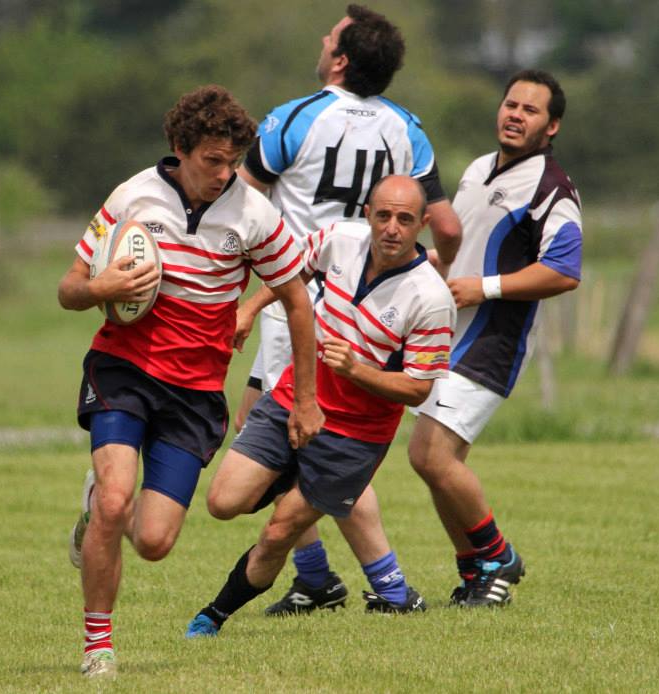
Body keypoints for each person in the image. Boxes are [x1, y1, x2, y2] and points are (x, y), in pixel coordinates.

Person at [57, 85, 323, 679]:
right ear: (179, 149)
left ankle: (95, 505)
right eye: (212, 161)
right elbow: (70, 287)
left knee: (153, 541)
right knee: (119, 496)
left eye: (232, 161)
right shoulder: (134, 196)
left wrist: (306, 399)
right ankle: (98, 646)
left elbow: (297, 302)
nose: (224, 174)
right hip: (123, 369)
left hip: (195, 393)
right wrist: (104, 290)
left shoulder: (253, 214)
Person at [233, 3, 462, 615]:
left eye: (330, 36)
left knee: (310, 444)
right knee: (289, 439)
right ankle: (320, 577)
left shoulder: (298, 116)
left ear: (339, 59)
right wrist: (434, 267)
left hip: (307, 300)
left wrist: (240, 278)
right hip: (365, 301)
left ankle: (376, 584)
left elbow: (242, 198)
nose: (321, 37)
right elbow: (444, 221)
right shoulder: (407, 128)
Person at [184, 174, 455, 638]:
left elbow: (417, 389)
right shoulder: (339, 239)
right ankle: (302, 477)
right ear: (367, 213)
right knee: (223, 502)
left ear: (423, 224)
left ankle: (214, 615)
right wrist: (249, 310)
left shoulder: (431, 299)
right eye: (384, 215)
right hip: (296, 395)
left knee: (277, 533)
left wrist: (357, 370)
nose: (392, 228)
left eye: (405, 219)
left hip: (356, 435)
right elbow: (292, 274)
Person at [408, 69, 582, 607]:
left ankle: (498, 555)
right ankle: (476, 574)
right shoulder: (481, 169)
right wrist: (412, 265)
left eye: (530, 111)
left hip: (493, 340)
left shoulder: (553, 189)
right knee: (433, 463)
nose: (515, 115)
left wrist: (483, 288)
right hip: (445, 332)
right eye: (511, 104)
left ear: (550, 127)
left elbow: (565, 270)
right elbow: (462, 249)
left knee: (431, 456)